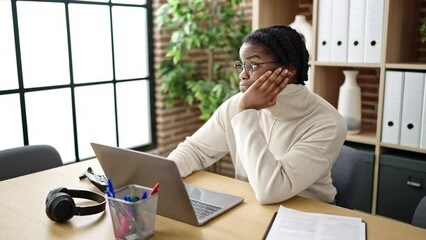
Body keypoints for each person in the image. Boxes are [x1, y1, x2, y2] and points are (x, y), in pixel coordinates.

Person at [167, 25, 347, 204]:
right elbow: (196, 150)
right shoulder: (236, 104)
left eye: (253, 65)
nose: (242, 76)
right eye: (242, 66)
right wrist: (161, 177)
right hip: (251, 206)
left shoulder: (327, 122)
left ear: (289, 70)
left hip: (309, 215)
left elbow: (271, 190)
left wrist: (246, 112)